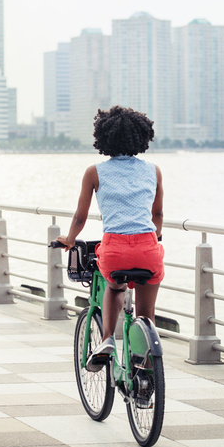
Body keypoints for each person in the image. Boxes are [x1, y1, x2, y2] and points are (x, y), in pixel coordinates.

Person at [57, 106, 164, 372]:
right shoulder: (154, 170)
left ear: (103, 137)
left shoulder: (94, 172)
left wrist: (70, 239)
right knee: (145, 315)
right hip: (148, 247)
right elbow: (158, 214)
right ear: (142, 137)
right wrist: (154, 237)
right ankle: (145, 373)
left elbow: (80, 218)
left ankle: (107, 339)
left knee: (115, 288)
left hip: (114, 247)